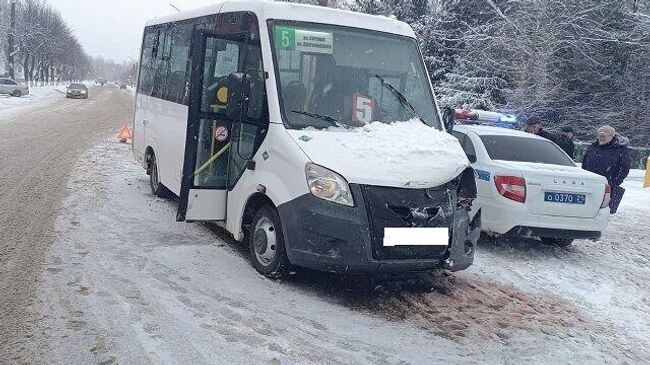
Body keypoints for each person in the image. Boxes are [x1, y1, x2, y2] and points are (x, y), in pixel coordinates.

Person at [581, 125, 631, 214]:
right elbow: (584, 162)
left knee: (602, 212)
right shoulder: (594, 146)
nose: (601, 138)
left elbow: (624, 168)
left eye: (604, 136)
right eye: (600, 136)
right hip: (590, 184)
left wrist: (614, 182)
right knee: (586, 210)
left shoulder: (620, 149)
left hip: (608, 186)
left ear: (612, 136)